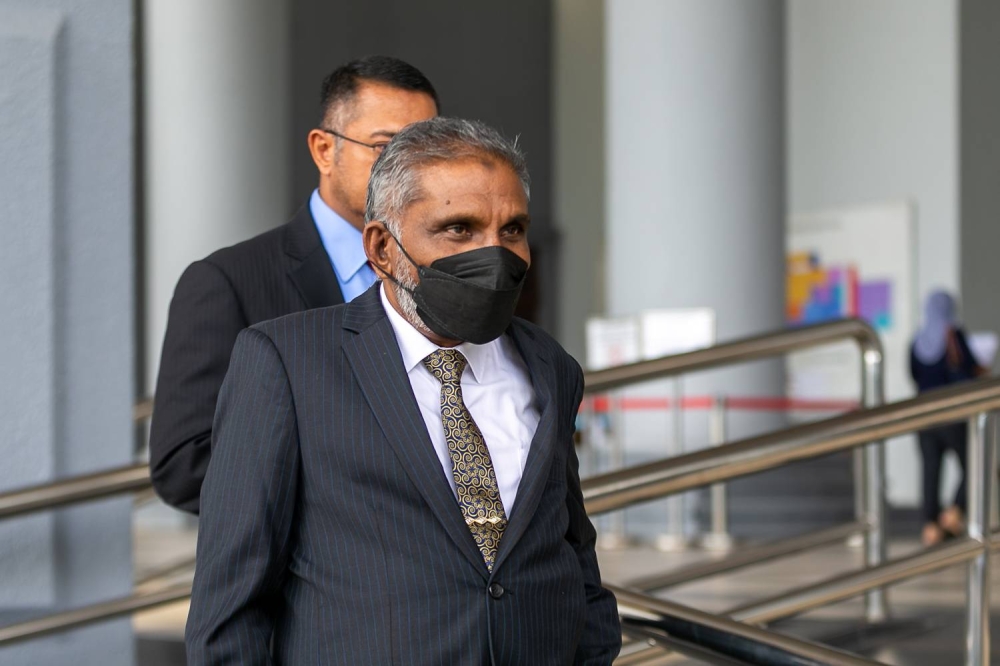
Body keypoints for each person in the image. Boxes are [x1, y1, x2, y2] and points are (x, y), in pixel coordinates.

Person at [185, 118, 622, 664]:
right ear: (383, 248)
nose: (495, 253)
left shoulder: (550, 365)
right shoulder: (286, 363)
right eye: (459, 229)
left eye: (511, 229)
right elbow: (230, 609)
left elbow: (573, 554)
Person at [149, 56, 439, 513]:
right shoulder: (228, 282)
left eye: (423, 153)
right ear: (325, 150)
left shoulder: (442, 269)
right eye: (385, 149)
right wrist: (363, 489)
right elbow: (185, 464)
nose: (409, 174)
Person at [910, 291, 987, 546]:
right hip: (952, 416)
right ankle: (954, 511)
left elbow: (914, 374)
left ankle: (930, 527)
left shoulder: (918, 342)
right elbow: (967, 371)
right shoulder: (953, 337)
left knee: (930, 472)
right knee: (974, 464)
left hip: (923, 417)